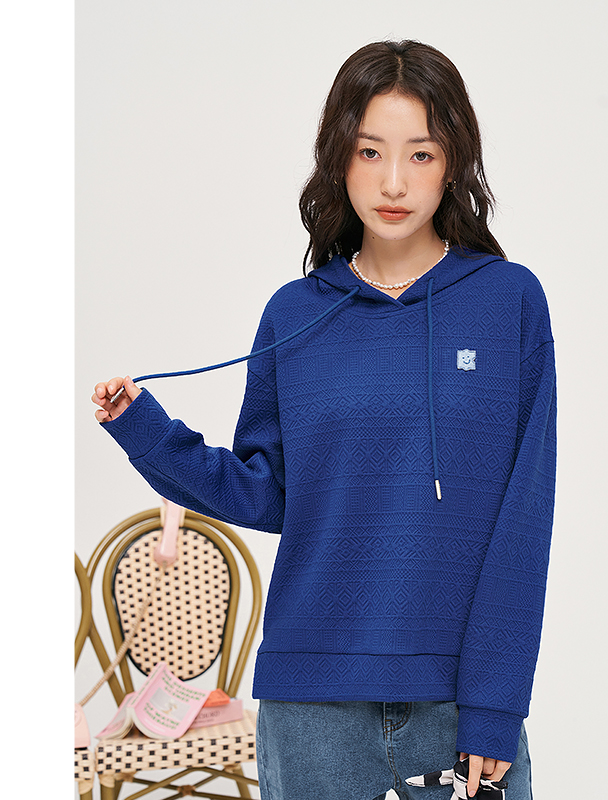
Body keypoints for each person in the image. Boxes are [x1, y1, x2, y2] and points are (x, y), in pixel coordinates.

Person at [92, 40, 556, 800]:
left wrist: (496, 705)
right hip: (310, 707)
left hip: (457, 704)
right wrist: (146, 430)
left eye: (421, 154)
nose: (394, 181)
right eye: (371, 152)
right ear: (339, 158)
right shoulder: (295, 313)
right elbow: (268, 492)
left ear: (453, 163)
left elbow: (524, 516)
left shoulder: (509, 302)